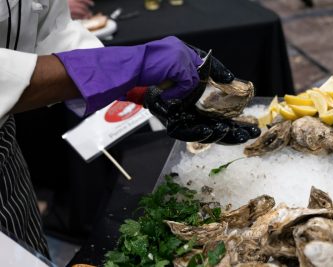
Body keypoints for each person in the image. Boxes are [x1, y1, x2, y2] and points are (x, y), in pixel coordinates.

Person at [0, 0, 259, 259]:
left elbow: (51, 33)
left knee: (30, 252)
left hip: (5, 152)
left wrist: (142, 90)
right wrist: (125, 66)